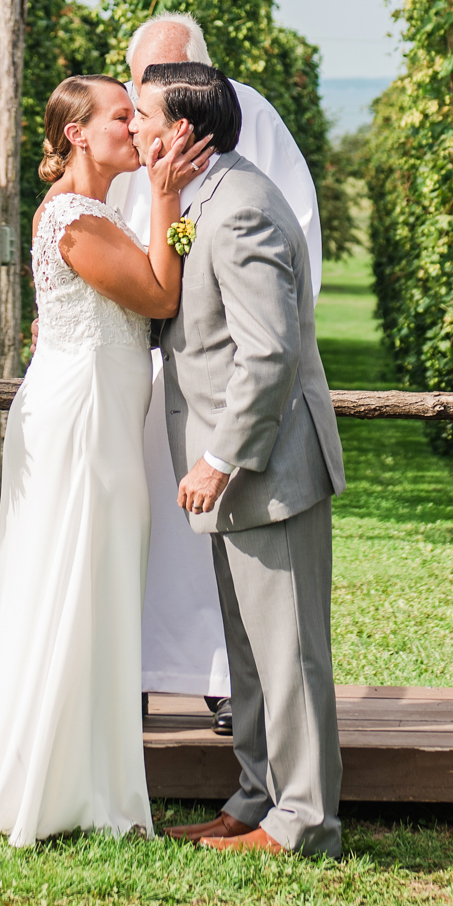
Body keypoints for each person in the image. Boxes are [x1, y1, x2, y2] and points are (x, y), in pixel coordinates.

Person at [0, 74, 211, 846]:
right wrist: (169, 200)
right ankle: (43, 777)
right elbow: (157, 297)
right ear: (77, 134)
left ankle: (80, 771)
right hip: (78, 422)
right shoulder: (77, 218)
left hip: (102, 417)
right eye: (121, 118)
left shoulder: (95, 213)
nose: (135, 131)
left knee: (94, 584)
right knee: (69, 581)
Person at [146, 62, 346, 859]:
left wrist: (219, 458)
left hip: (269, 470)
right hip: (237, 477)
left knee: (289, 654)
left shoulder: (242, 210)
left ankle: (305, 824)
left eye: (141, 115)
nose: (131, 127)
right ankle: (260, 796)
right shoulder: (206, 200)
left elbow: (267, 356)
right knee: (251, 657)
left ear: (183, 132)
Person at [106, 12, 321, 717]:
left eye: (154, 90)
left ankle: (226, 686)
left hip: (220, 380)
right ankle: (128, 670)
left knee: (236, 570)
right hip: (141, 376)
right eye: (139, 83)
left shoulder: (247, 139)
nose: (137, 108)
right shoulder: (129, 128)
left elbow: (281, 275)